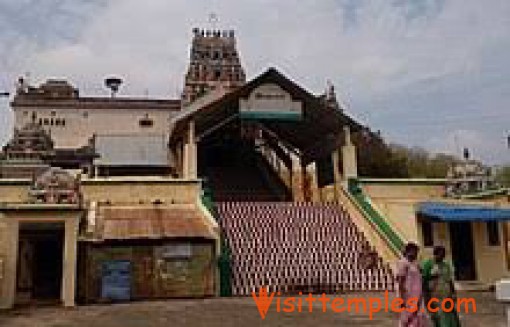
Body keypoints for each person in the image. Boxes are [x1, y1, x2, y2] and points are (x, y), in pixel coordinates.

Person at [422, 246, 461, 327]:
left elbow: (449, 280)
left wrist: (453, 293)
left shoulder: (446, 265)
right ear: (435, 254)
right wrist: (426, 298)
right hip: (434, 295)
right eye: (440, 254)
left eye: (443, 255)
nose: (442, 256)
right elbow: (424, 281)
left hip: (446, 294)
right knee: (438, 317)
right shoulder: (428, 264)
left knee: (450, 317)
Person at [396, 242, 427, 327]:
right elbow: (400, 282)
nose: (416, 254)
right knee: (408, 318)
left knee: (418, 317)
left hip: (418, 295)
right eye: (414, 251)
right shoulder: (403, 263)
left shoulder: (415, 263)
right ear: (408, 251)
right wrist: (402, 298)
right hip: (408, 295)